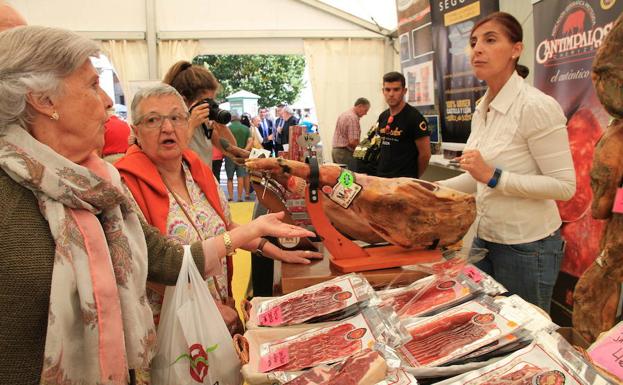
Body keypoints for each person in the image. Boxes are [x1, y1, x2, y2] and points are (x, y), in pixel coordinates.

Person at [0, 26, 318, 385]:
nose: (107, 100)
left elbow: (165, 258)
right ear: (43, 100)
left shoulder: (97, 184)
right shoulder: (21, 194)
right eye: (92, 84)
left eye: (176, 117)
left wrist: (256, 237)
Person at [438, 12, 576, 312]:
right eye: (474, 42)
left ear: (516, 49)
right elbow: (476, 176)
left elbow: (564, 186)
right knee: (487, 327)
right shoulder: (482, 107)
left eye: (490, 40)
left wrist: (494, 177)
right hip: (485, 239)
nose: (477, 49)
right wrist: (428, 190)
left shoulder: (536, 106)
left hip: (528, 247)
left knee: (529, 338)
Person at [163, 60, 236, 168]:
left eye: (212, 100)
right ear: (183, 99)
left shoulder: (204, 124)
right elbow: (173, 153)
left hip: (203, 182)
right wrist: (191, 123)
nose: (210, 106)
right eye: (206, 101)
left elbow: (231, 150)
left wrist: (221, 125)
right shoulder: (167, 124)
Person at [376, 72, 431, 178]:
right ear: (383, 91)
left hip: (404, 180)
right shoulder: (383, 116)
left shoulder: (415, 118)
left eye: (396, 89)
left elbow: (425, 155)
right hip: (382, 177)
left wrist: (414, 177)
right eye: (387, 89)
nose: (391, 94)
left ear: (404, 91)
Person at [332, 97, 370, 170]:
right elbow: (352, 141)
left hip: (336, 151)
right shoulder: (353, 118)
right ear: (360, 106)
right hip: (345, 153)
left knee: (340, 178)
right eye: (365, 110)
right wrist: (363, 152)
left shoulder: (344, 114)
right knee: (350, 178)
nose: (366, 113)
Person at [225, 111, 252, 201]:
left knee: (230, 177)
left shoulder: (227, 129)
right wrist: (243, 151)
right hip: (242, 157)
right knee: (241, 176)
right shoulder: (246, 128)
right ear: (239, 118)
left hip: (230, 156)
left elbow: (224, 144)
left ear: (231, 118)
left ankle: (231, 197)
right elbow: (250, 141)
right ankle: (240, 197)